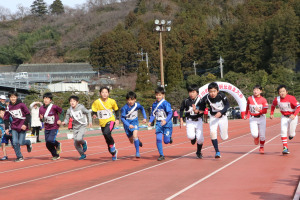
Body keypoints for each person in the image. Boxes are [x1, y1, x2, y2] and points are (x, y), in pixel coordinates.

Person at [199, 82, 229, 158]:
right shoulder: (206, 98)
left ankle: (224, 134)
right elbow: (201, 106)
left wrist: (221, 112)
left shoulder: (222, 95)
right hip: (213, 117)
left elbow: (227, 105)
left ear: (217, 91)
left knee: (224, 137)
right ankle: (217, 151)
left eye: (214, 91)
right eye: (210, 91)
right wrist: (199, 110)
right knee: (212, 133)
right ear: (208, 91)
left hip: (222, 117)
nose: (212, 93)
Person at [270, 85, 300, 154]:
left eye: (283, 91)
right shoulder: (277, 99)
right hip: (284, 117)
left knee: (291, 133)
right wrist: (272, 113)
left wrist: (294, 115)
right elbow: (273, 105)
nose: (282, 93)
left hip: (292, 117)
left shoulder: (291, 98)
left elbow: (298, 107)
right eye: (280, 92)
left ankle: (291, 135)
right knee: (283, 130)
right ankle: (285, 147)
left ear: (286, 92)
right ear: (278, 93)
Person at [92, 86, 119, 161]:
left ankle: (112, 146)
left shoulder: (112, 101)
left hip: (111, 120)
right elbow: (94, 109)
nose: (104, 94)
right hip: (102, 122)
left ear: (108, 93)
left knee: (107, 133)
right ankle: (113, 152)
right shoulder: (97, 102)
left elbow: (116, 110)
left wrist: (117, 119)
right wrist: (94, 114)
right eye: (103, 92)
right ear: (100, 93)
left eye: (106, 92)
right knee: (106, 137)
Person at [4, 91, 32, 162]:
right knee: (15, 142)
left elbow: (28, 115)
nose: (13, 98)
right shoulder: (8, 107)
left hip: (22, 126)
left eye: (14, 97)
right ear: (9, 98)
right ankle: (19, 157)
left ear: (16, 97)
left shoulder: (21, 105)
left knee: (21, 142)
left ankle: (28, 142)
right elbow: (6, 118)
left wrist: (25, 124)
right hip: (14, 127)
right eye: (11, 97)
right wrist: (7, 128)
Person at [62, 96, 92, 160]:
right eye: (71, 101)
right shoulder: (69, 110)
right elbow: (67, 119)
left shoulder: (81, 107)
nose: (72, 102)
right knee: (75, 143)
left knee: (79, 139)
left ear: (77, 102)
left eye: (74, 101)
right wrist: (64, 122)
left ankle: (84, 143)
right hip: (75, 127)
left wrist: (90, 121)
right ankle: (82, 154)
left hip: (82, 126)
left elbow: (88, 112)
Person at [148, 87, 173, 161]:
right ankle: (161, 155)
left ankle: (169, 136)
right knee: (158, 139)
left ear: (163, 95)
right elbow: (153, 114)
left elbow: (170, 113)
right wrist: (150, 121)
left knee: (166, 141)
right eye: (156, 95)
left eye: (159, 95)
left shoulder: (166, 103)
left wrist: (165, 120)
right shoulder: (154, 104)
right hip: (159, 124)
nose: (158, 96)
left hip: (167, 123)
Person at [180, 84, 204, 159]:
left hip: (198, 121)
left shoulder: (201, 101)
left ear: (197, 92)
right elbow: (181, 109)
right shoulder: (186, 101)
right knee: (190, 136)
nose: (191, 94)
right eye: (190, 92)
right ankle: (193, 138)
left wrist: (197, 111)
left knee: (200, 139)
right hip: (189, 121)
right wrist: (181, 119)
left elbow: (203, 111)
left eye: (193, 92)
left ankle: (198, 152)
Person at [121, 91, 147, 158]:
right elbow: (122, 118)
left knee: (135, 135)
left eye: (132, 99)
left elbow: (142, 109)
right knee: (131, 141)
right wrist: (128, 125)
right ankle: (138, 141)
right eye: (129, 100)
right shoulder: (124, 108)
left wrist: (145, 118)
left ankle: (137, 152)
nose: (131, 101)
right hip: (127, 124)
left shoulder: (137, 105)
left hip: (135, 123)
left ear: (135, 99)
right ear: (127, 100)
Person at [244, 85, 268, 154]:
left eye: (257, 90)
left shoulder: (263, 100)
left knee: (262, 136)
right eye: (254, 90)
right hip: (253, 118)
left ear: (260, 91)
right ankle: (256, 137)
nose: (255, 91)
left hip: (261, 118)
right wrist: (246, 114)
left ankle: (261, 147)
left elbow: (265, 111)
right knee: (254, 134)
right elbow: (247, 107)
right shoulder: (249, 98)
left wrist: (260, 110)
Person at [39, 92, 62, 160]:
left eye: (48, 98)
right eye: (45, 98)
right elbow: (42, 120)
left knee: (51, 140)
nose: (46, 100)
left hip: (54, 126)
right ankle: (55, 155)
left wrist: (60, 119)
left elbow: (62, 111)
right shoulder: (41, 108)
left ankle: (57, 144)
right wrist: (41, 119)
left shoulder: (54, 107)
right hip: (47, 127)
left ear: (50, 100)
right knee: (47, 144)